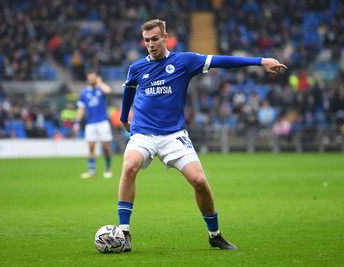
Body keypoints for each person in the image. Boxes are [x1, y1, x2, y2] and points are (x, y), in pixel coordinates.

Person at [118, 19, 287, 252]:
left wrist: (259, 61)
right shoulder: (137, 67)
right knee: (129, 167)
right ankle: (124, 232)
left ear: (165, 38)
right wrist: (123, 118)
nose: (150, 44)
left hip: (173, 135)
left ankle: (214, 234)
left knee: (199, 181)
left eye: (155, 39)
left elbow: (220, 61)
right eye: (146, 40)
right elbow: (128, 90)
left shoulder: (184, 61)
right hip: (143, 133)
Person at [73, 70, 113, 179]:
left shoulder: (101, 88)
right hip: (90, 123)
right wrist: (77, 122)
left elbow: (109, 91)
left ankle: (108, 168)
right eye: (89, 78)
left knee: (105, 147)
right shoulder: (84, 93)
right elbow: (81, 109)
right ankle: (91, 171)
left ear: (96, 78)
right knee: (91, 147)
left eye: (93, 77)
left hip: (102, 122)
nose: (91, 79)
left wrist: (100, 83)